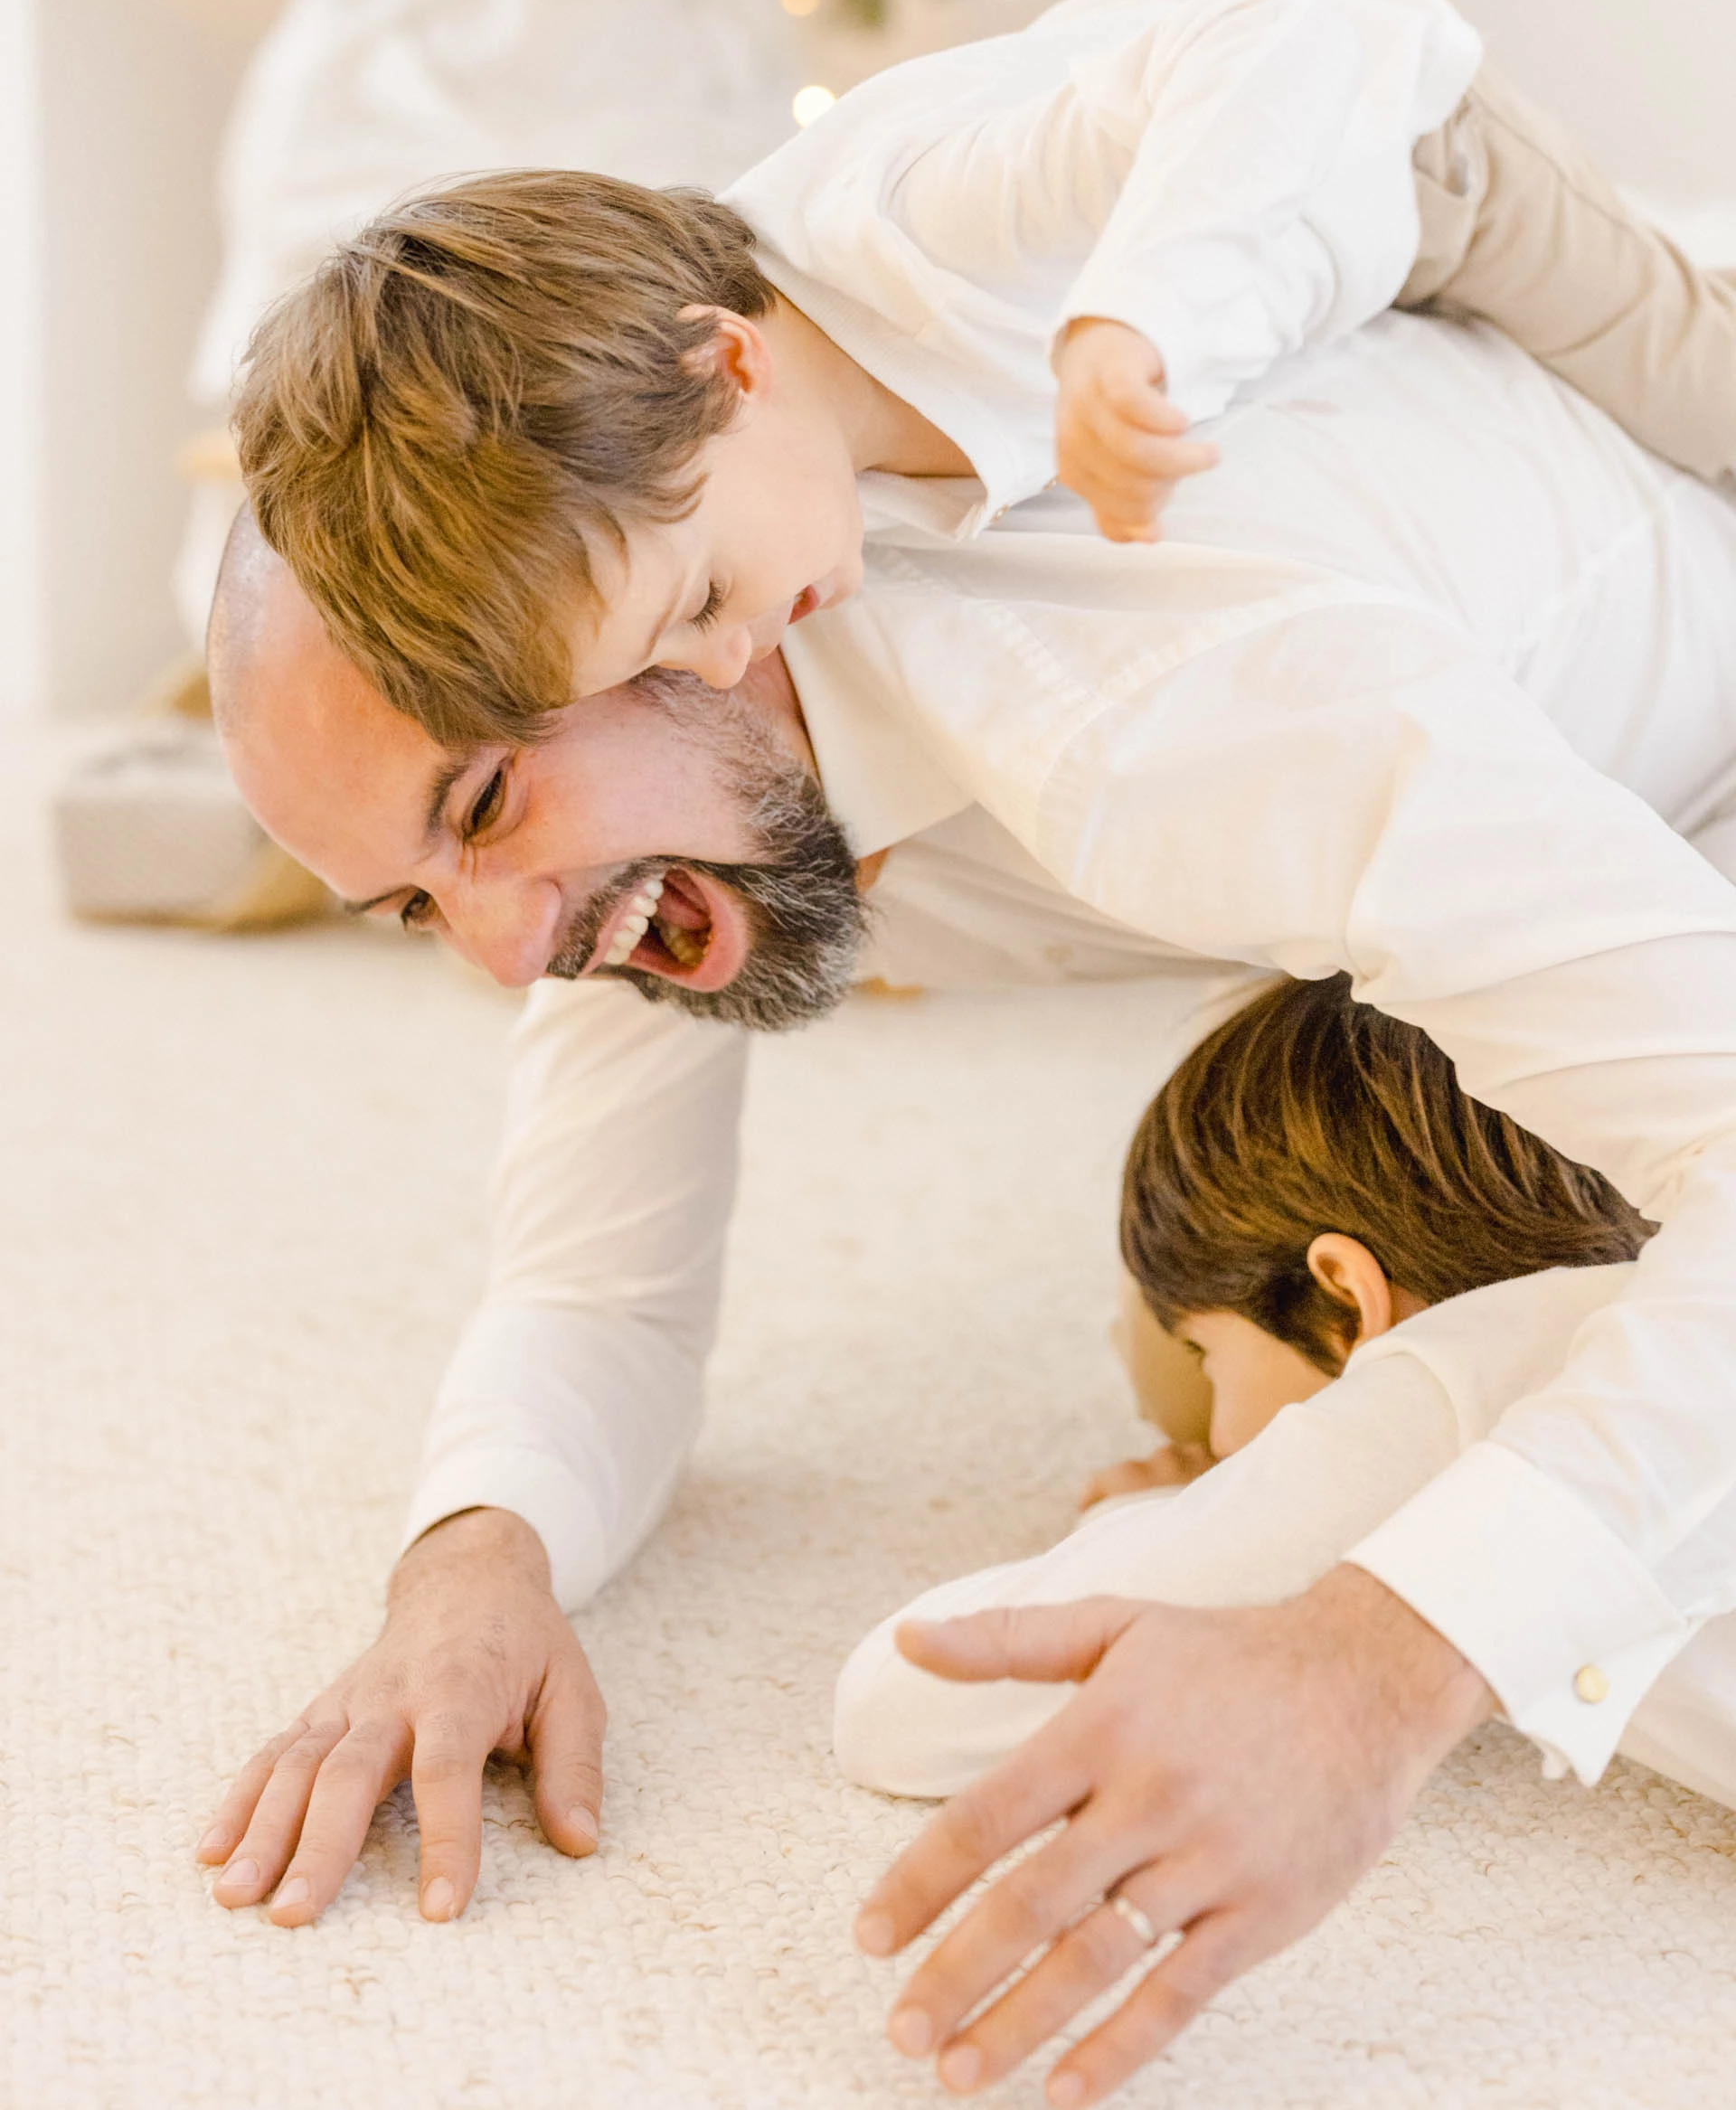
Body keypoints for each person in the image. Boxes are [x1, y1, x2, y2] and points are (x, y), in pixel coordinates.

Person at [200, 261, 1736, 2107]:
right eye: (415, 904)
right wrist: (473, 1563)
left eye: (485, 809)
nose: (508, 958)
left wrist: (1376, 1660)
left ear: (661, 611)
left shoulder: (1159, 694)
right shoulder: (659, 825)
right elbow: (596, 1293)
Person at [230, 0, 1736, 763]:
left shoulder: (924, 229)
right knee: (1101, 109)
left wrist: (1130, 310)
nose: (734, 656)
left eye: (697, 603)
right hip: (1170, 174)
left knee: (1702, 380)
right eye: (670, 664)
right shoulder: (778, 466)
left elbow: (1330, 12)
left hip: (1405, 179)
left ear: (724, 366)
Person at [833, 974, 1736, 1826]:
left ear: (1349, 1300)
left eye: (1207, 1355)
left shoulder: (1445, 1390)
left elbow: (908, 1700)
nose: (1211, 1429)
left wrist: (1155, 1515)